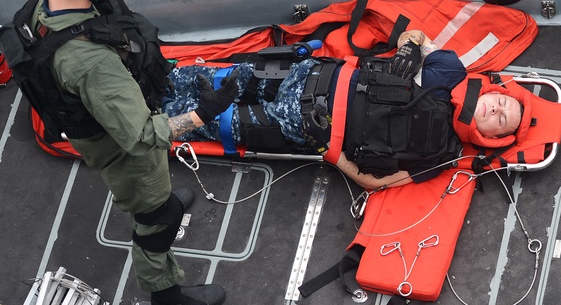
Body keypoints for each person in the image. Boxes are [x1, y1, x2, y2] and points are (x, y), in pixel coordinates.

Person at [24, 0, 239, 305]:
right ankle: (166, 296)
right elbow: (140, 137)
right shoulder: (90, 64)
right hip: (123, 147)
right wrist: (204, 112)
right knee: (158, 219)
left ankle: (160, 203)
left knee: (161, 201)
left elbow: (85, 3)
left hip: (112, 108)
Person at [163, 30, 525, 191]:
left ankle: (146, 127)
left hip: (301, 125)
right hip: (306, 73)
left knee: (210, 120)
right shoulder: (449, 72)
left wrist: (329, 150)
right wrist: (408, 48)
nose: (495, 109)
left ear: (490, 138)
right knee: (206, 80)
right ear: (494, 91)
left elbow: (374, 182)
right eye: (502, 102)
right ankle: (147, 79)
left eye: (501, 119)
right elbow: (414, 34)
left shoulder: (441, 157)